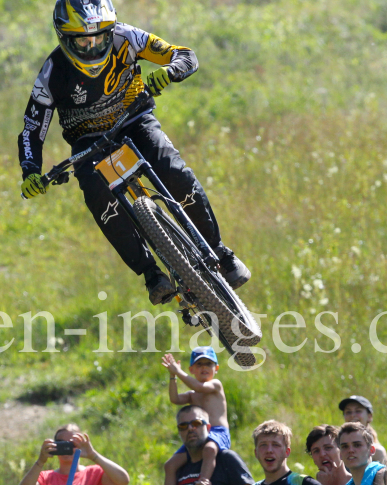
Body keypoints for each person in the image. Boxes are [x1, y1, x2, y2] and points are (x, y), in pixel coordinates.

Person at [18, 0, 250, 306]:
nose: (93, 46)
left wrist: (170, 71)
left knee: (174, 172)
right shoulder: (51, 73)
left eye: (100, 38)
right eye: (83, 41)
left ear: (111, 29)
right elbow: (32, 128)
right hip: (88, 143)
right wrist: (31, 170)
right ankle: (151, 275)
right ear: (63, 37)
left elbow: (185, 55)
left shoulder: (128, 37)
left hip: (135, 119)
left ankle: (220, 251)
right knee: (98, 196)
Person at [158, 348, 229, 485]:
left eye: (208, 364)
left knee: (209, 450)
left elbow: (199, 387)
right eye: (199, 364)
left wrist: (179, 371)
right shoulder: (192, 393)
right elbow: (175, 398)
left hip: (217, 432)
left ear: (216, 368)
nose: (204, 367)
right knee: (170, 465)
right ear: (192, 369)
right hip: (198, 435)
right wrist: (172, 375)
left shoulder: (215, 385)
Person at [16, 424, 130, 485]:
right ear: (54, 445)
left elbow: (123, 481)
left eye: (72, 443)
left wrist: (92, 454)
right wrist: (40, 461)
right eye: (61, 443)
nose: (67, 447)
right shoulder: (45, 478)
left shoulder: (93, 474)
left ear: (81, 444)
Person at [164, 406, 253, 485]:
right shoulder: (177, 468)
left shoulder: (226, 459)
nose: (190, 428)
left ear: (208, 428)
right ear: (178, 431)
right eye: (183, 425)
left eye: (197, 423)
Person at [338, 395, 387, 464]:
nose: (352, 415)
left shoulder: (377, 451)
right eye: (348, 412)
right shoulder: (337, 447)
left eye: (358, 411)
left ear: (369, 416)